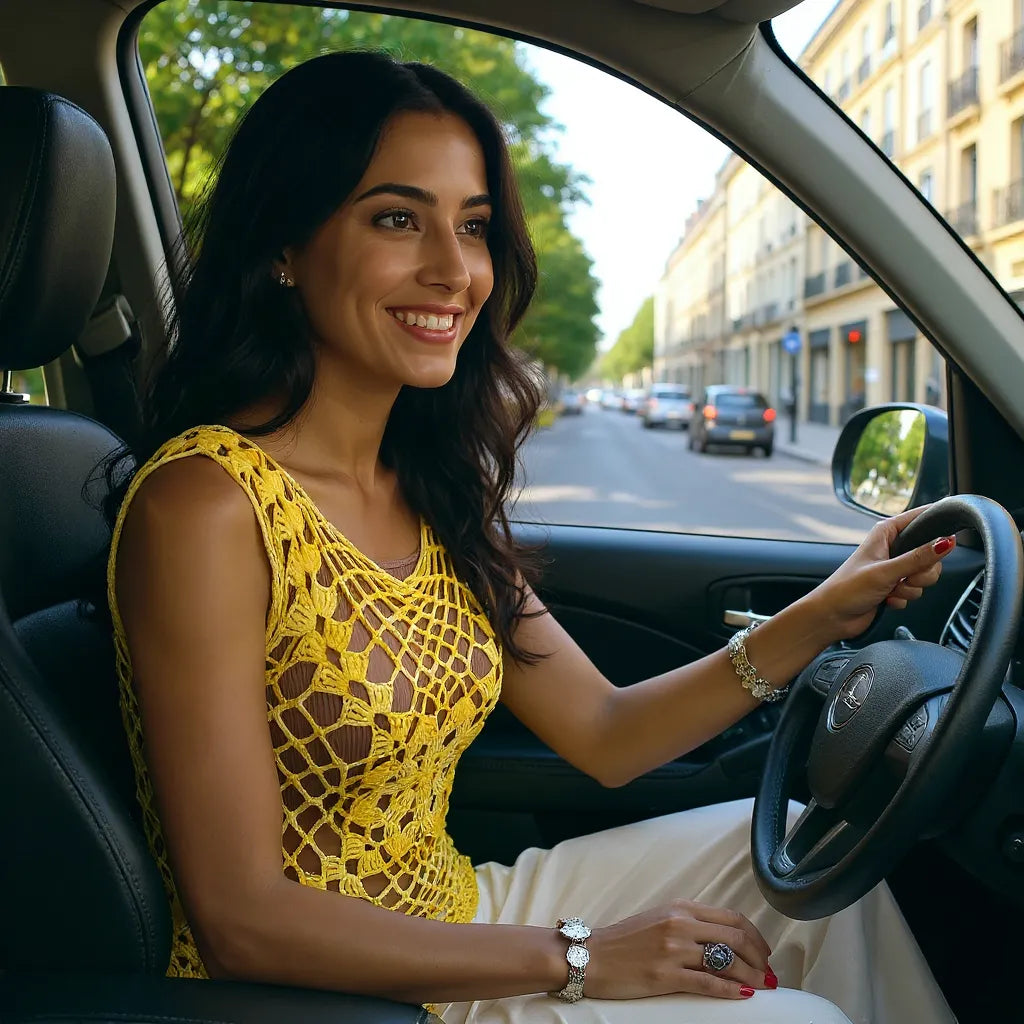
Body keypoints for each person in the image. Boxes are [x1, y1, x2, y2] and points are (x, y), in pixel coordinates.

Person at [106, 50, 958, 1024]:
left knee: (812, 860)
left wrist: (826, 611)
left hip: (455, 913)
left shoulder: (426, 488)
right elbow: (241, 920)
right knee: (788, 1018)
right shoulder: (205, 505)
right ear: (283, 246)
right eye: (397, 219)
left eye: (472, 227)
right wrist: (579, 956)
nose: (454, 270)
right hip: (324, 994)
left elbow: (606, 733)